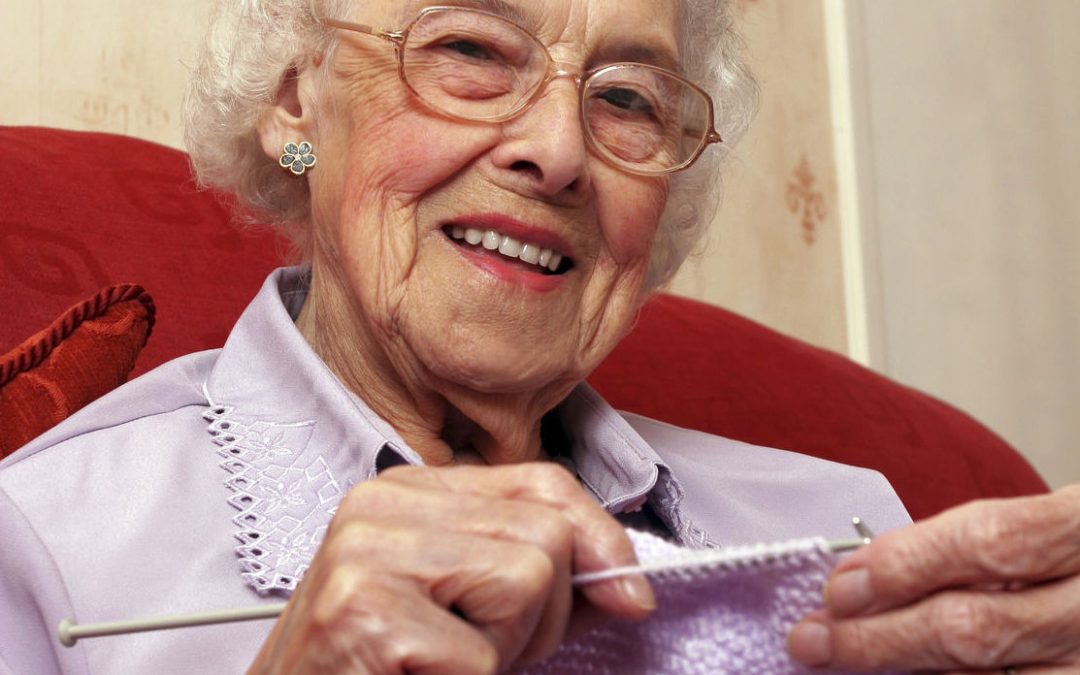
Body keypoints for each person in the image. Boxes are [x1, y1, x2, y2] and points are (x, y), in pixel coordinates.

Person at [0, 0, 1077, 673]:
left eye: (629, 100)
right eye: (469, 47)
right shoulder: (49, 543)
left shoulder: (845, 527)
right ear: (296, 106)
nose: (559, 150)